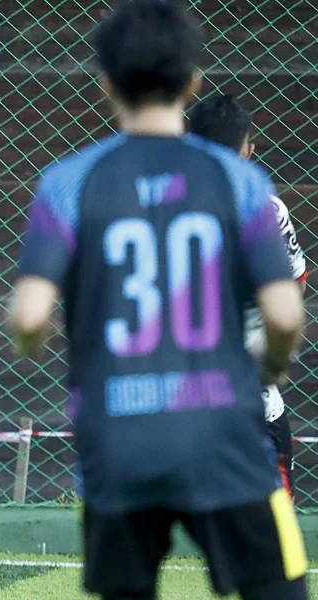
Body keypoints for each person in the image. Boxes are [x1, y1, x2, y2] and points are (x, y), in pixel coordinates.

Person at [7, 2, 308, 599]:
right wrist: (271, 365)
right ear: (192, 81)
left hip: (118, 436)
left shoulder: (69, 181)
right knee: (280, 585)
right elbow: (284, 313)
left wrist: (36, 341)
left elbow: (29, 317)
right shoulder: (240, 180)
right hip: (225, 430)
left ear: (105, 83)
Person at [188, 94, 309, 500]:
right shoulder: (266, 210)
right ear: (248, 150)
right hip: (248, 390)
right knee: (271, 525)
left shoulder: (155, 202)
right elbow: (295, 288)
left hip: (171, 389)